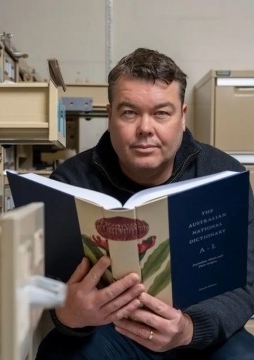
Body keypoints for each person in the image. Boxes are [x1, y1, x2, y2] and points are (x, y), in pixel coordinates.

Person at [35, 48, 254, 359]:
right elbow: (43, 283)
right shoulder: (69, 182)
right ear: (109, 115)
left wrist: (190, 329)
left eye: (161, 113)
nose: (145, 129)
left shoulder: (224, 175)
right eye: (129, 113)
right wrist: (67, 313)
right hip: (107, 334)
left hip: (196, 332)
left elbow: (247, 282)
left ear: (182, 115)